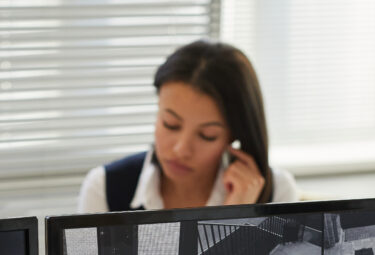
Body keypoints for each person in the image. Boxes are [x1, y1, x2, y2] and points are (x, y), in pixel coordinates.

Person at [78, 40, 297, 213]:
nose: (181, 149)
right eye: (170, 125)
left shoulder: (277, 191)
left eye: (207, 135)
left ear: (234, 135)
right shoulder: (103, 188)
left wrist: (238, 216)